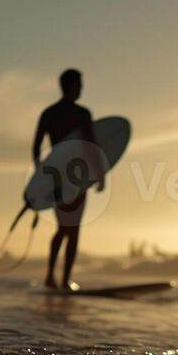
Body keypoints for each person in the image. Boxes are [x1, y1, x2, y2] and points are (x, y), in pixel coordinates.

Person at [32, 69, 105, 291]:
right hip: (75, 177)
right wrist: (100, 173)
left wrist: (41, 176)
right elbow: (90, 146)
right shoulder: (82, 113)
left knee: (65, 227)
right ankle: (62, 280)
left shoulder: (49, 113)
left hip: (56, 176)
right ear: (71, 86)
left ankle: (52, 278)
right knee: (71, 229)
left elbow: (36, 147)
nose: (81, 89)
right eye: (79, 84)